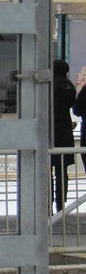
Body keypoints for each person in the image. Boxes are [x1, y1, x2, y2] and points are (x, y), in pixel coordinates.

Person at [51, 59, 76, 214]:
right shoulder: (70, 88)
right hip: (65, 132)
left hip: (50, 132)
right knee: (62, 170)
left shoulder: (49, 88)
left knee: (46, 169)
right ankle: (61, 204)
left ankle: (48, 202)